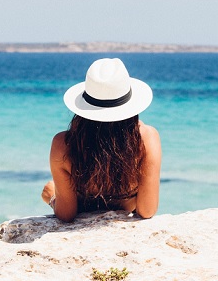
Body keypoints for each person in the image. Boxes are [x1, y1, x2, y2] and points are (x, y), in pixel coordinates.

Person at [41, 58, 161, 222]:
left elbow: (66, 214)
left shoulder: (63, 144)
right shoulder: (146, 138)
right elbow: (147, 210)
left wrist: (51, 197)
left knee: (48, 188)